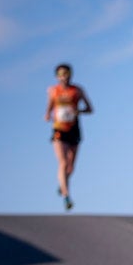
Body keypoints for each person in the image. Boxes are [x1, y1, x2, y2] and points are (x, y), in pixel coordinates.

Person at [44, 63, 93, 211]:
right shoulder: (53, 91)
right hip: (59, 129)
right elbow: (50, 106)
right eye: (61, 74)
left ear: (71, 75)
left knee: (70, 167)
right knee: (63, 162)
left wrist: (79, 111)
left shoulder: (77, 90)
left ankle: (62, 183)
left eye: (66, 74)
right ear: (57, 76)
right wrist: (47, 114)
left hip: (74, 129)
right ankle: (67, 197)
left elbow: (90, 109)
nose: (64, 77)